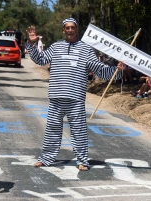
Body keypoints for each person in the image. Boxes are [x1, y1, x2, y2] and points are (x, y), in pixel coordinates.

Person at [26, 18, 123, 171]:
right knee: (52, 129)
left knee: (79, 130)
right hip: (56, 96)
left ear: (76, 30)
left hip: (76, 97)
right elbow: (41, 59)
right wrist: (32, 44)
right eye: (67, 28)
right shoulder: (56, 47)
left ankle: (83, 161)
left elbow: (99, 69)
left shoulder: (86, 49)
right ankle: (46, 158)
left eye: (72, 27)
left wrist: (117, 71)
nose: (70, 30)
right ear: (63, 30)